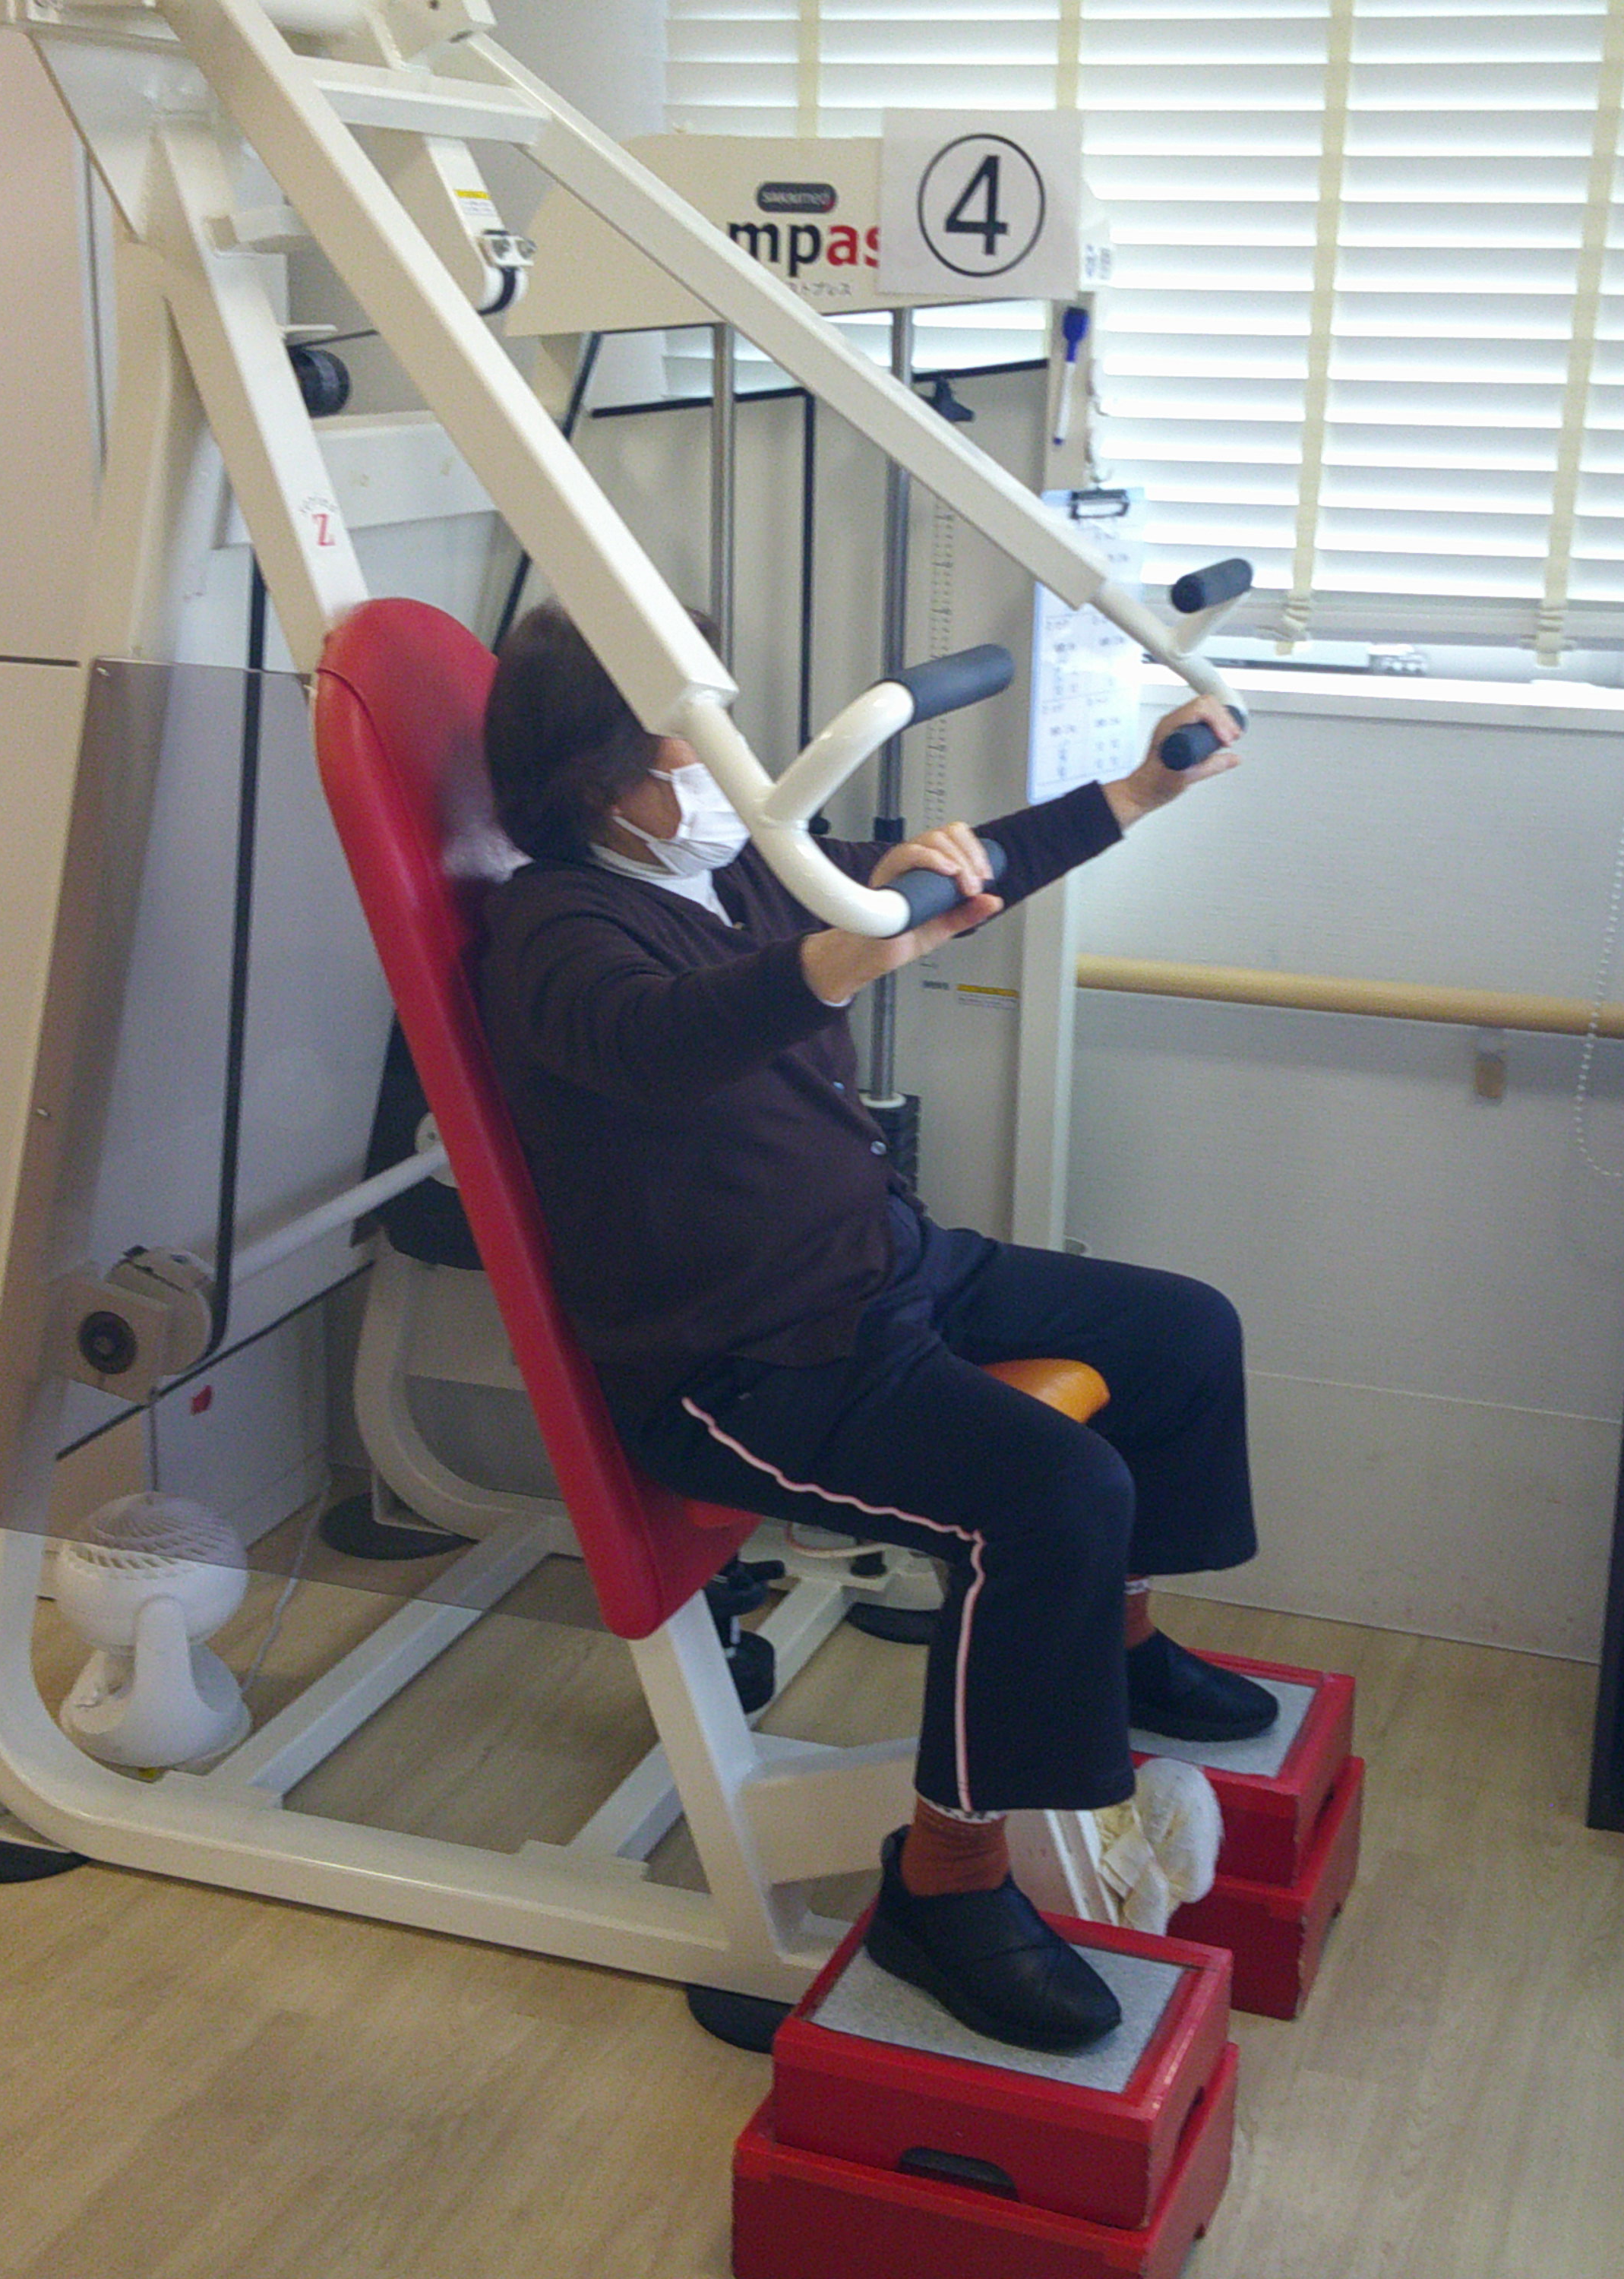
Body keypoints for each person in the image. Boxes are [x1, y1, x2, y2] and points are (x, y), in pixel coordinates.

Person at [474, 602, 1267, 2052]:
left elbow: (950, 875)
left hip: (886, 1265)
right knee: (1049, 1497)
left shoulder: (740, 870)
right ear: (601, 776)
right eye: (689, 740)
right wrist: (847, 952)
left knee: (1182, 1335)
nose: (726, 761)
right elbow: (662, 1039)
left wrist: (1137, 792)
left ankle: (1122, 1648)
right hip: (744, 1365)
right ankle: (945, 1885)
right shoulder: (552, 930)